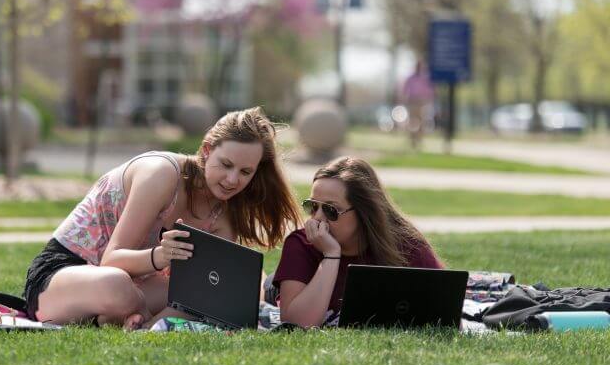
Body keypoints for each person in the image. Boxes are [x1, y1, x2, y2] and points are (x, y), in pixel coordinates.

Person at [23, 107, 301, 329]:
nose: (232, 180)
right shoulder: (161, 173)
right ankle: (122, 314)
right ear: (206, 150)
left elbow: (204, 292)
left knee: (214, 296)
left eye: (245, 172)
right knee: (116, 284)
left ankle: (125, 320)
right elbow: (112, 259)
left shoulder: (223, 213)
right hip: (62, 278)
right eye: (226, 165)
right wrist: (160, 256)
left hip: (137, 288)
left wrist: (156, 326)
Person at [272, 156, 444, 328]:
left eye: (330, 209)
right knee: (271, 289)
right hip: (283, 287)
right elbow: (295, 325)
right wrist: (331, 255)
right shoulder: (301, 243)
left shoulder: (406, 245)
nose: (317, 218)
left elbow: (446, 315)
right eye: (313, 206)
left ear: (364, 212)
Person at [400, 60, 435, 150]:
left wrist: (428, 100)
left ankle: (419, 139)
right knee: (412, 121)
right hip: (412, 101)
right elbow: (405, 90)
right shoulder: (410, 78)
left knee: (422, 122)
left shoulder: (425, 78)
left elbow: (430, 91)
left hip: (422, 101)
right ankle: (412, 139)